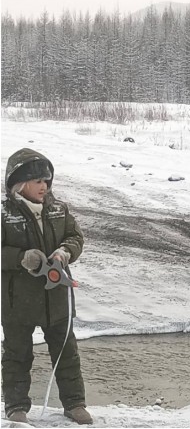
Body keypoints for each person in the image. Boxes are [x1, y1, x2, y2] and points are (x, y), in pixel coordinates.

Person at [1, 148, 92, 425]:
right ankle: (16, 408)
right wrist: (20, 258)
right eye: (38, 181)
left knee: (67, 352)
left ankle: (74, 404)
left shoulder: (58, 209)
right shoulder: (4, 214)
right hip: (18, 302)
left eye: (47, 181)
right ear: (20, 183)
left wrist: (66, 251)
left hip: (57, 298)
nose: (45, 186)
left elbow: (76, 237)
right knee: (17, 355)